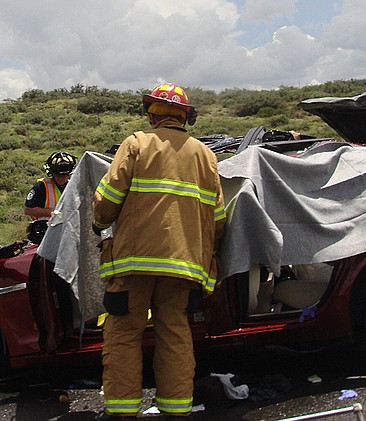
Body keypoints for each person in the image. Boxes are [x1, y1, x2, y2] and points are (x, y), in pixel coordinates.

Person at [92, 83, 226, 420]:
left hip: (134, 265)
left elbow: (106, 202)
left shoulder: (137, 144)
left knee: (123, 333)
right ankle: (177, 409)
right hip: (183, 267)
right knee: (175, 333)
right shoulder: (205, 155)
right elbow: (219, 219)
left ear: (152, 113)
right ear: (184, 116)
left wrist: (100, 220)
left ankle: (122, 412)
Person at [24, 151, 77, 242]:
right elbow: (28, 210)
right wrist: (54, 212)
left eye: (65, 176)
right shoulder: (42, 186)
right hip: (44, 234)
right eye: (58, 176)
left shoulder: (75, 187)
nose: (61, 179)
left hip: (68, 234)